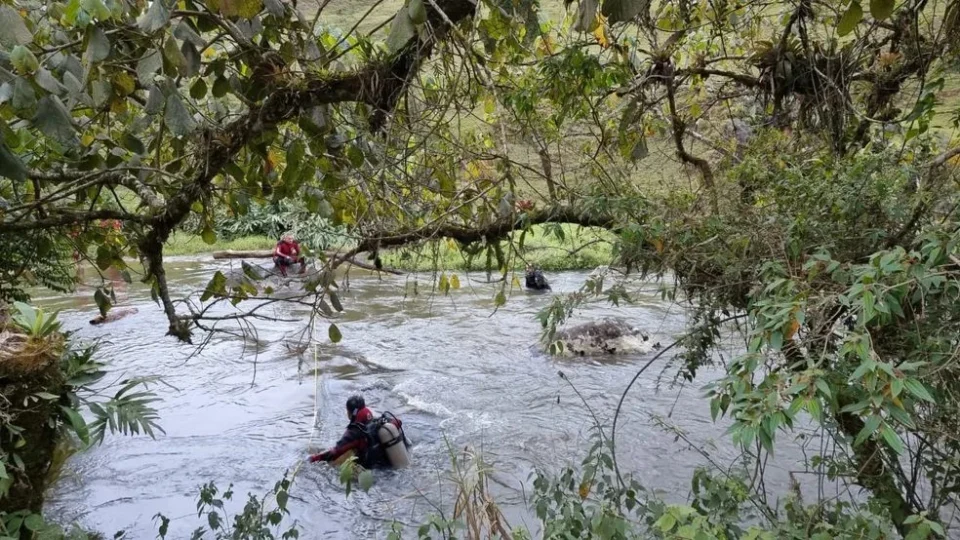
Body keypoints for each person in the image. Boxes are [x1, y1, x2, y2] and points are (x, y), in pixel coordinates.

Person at [308, 395, 407, 469]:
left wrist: (313, 459)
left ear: (351, 413)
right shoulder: (379, 421)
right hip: (392, 464)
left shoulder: (355, 432)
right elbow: (398, 422)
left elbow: (336, 451)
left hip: (377, 473)